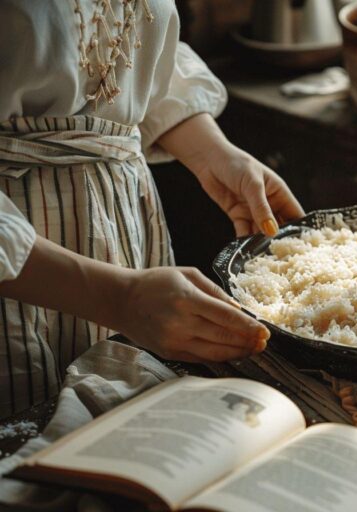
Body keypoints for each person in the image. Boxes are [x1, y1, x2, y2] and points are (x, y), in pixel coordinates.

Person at [0, 0, 304, 417]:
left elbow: (127, 49)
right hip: (23, 261)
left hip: (123, 227)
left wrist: (212, 153)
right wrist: (115, 297)